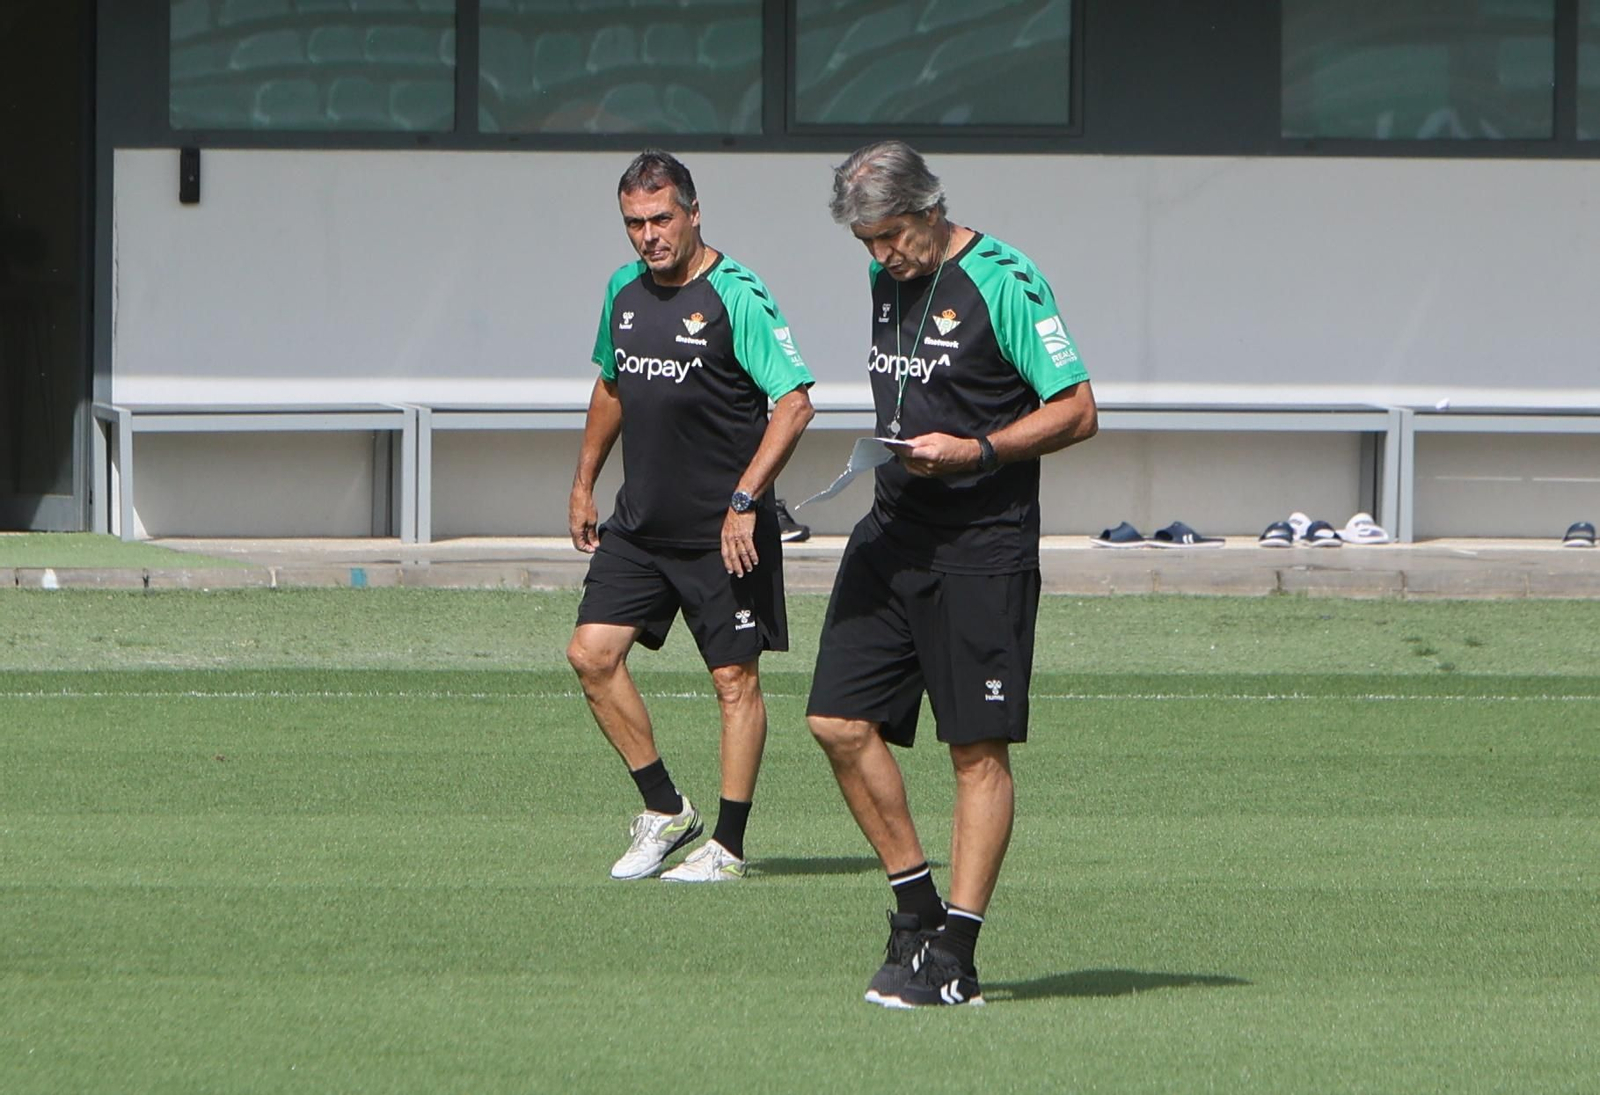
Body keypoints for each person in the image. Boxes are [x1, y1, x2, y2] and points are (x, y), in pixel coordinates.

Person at [807, 141, 1098, 1006]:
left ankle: (956, 957)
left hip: (982, 544)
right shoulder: (886, 274)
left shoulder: (1005, 281)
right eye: (867, 242)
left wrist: (977, 450)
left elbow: (1078, 409)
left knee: (975, 750)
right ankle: (915, 910)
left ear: (931, 209)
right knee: (835, 720)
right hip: (893, 531)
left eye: (892, 235)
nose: (882, 255)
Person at [567, 150, 815, 883]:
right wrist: (583, 483)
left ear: (694, 212)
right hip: (640, 525)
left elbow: (794, 403)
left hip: (722, 533)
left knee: (734, 682)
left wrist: (745, 501)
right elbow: (611, 385)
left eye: (661, 218)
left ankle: (727, 848)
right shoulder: (622, 290)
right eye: (634, 223)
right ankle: (666, 808)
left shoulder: (737, 294)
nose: (648, 235)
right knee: (591, 655)